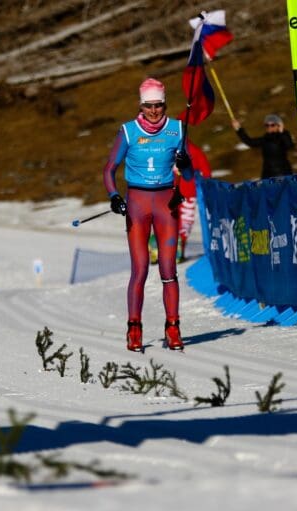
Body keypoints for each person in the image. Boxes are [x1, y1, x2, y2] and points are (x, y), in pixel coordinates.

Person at [102, 77, 194, 352]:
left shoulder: (177, 129)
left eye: (159, 105)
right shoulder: (129, 132)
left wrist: (185, 164)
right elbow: (109, 169)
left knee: (168, 270)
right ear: (141, 106)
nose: (154, 111)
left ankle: (173, 328)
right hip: (138, 204)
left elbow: (188, 174)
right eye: (149, 106)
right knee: (140, 270)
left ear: (165, 104)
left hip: (166, 204)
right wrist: (114, 196)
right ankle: (134, 328)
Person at [149, 138, 212, 264]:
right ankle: (160, 248)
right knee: (171, 221)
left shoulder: (193, 151)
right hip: (173, 191)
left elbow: (206, 172)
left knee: (181, 223)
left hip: (187, 193)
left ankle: (176, 251)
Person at [231, 114, 294, 179]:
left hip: (283, 174)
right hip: (267, 174)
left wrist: (282, 132)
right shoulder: (265, 139)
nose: (269, 127)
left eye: (272, 125)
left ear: (278, 126)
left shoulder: (283, 137)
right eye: (267, 125)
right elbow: (250, 142)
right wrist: (238, 129)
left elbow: (289, 146)